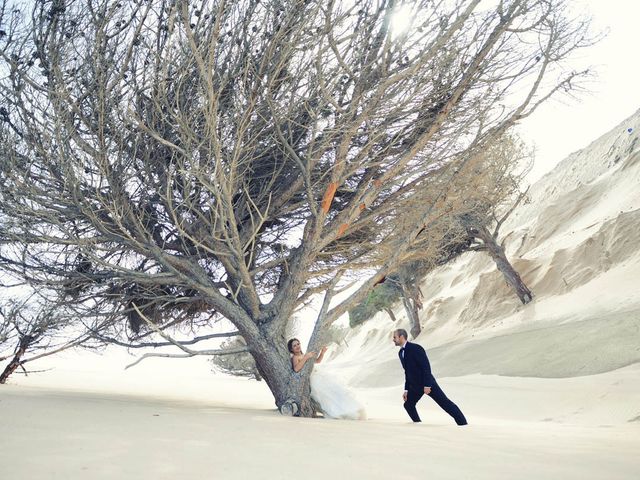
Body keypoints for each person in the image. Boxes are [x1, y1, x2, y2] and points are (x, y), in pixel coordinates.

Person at [392, 328, 467, 425]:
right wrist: (406, 390)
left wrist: (427, 385)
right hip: (415, 386)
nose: (393, 340)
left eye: (395, 337)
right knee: (408, 405)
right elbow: (407, 372)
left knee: (445, 403)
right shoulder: (400, 353)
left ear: (401, 337)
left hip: (427, 384)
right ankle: (418, 424)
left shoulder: (416, 348)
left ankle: (463, 424)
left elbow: (426, 367)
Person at [287, 338, 366, 420]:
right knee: (326, 394)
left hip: (319, 375)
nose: (297, 346)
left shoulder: (305, 354)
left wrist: (322, 353)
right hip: (312, 379)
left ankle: (353, 409)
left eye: (298, 344)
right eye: (294, 346)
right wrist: (306, 357)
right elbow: (296, 369)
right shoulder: (295, 357)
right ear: (291, 349)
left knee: (335, 389)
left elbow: (317, 361)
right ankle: (339, 412)